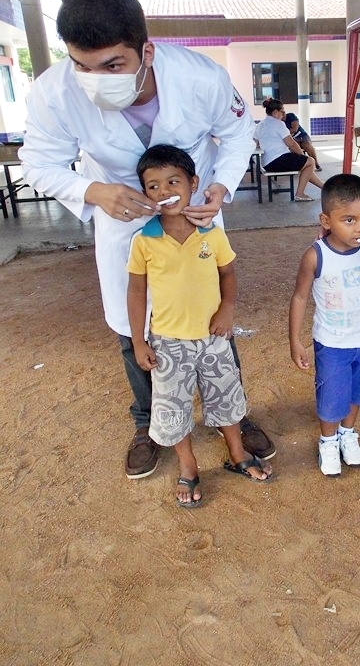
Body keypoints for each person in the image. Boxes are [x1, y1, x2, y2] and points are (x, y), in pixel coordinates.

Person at [19, 0, 275, 480]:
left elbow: (237, 133)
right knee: (129, 320)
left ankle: (233, 415)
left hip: (196, 213)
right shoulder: (53, 93)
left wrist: (220, 188)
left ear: (147, 51)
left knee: (211, 313)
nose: (95, 79)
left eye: (113, 65)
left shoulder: (201, 78)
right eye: (82, 65)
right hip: (123, 218)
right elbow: (38, 164)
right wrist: (96, 192)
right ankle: (147, 422)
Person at [127, 145, 273, 506]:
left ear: (193, 183)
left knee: (226, 395)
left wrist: (227, 310)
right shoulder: (144, 240)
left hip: (213, 337)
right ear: (145, 193)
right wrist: (138, 341)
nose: (164, 191)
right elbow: (136, 291)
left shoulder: (212, 233)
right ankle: (188, 464)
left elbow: (228, 274)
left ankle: (237, 452)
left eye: (173, 182)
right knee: (173, 406)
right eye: (153, 186)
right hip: (168, 342)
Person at [289, 173, 360, 476]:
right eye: (349, 220)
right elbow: (300, 297)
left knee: (357, 391)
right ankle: (328, 441)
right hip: (332, 343)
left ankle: (347, 434)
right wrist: (295, 340)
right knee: (332, 396)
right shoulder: (316, 256)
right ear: (326, 221)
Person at [254, 97, 323, 201]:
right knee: (310, 161)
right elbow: (292, 144)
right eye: (282, 112)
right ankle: (300, 194)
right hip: (278, 160)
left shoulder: (260, 125)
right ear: (275, 112)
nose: (283, 115)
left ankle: (324, 187)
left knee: (306, 166)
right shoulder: (278, 124)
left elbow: (254, 143)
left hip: (266, 163)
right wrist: (302, 156)